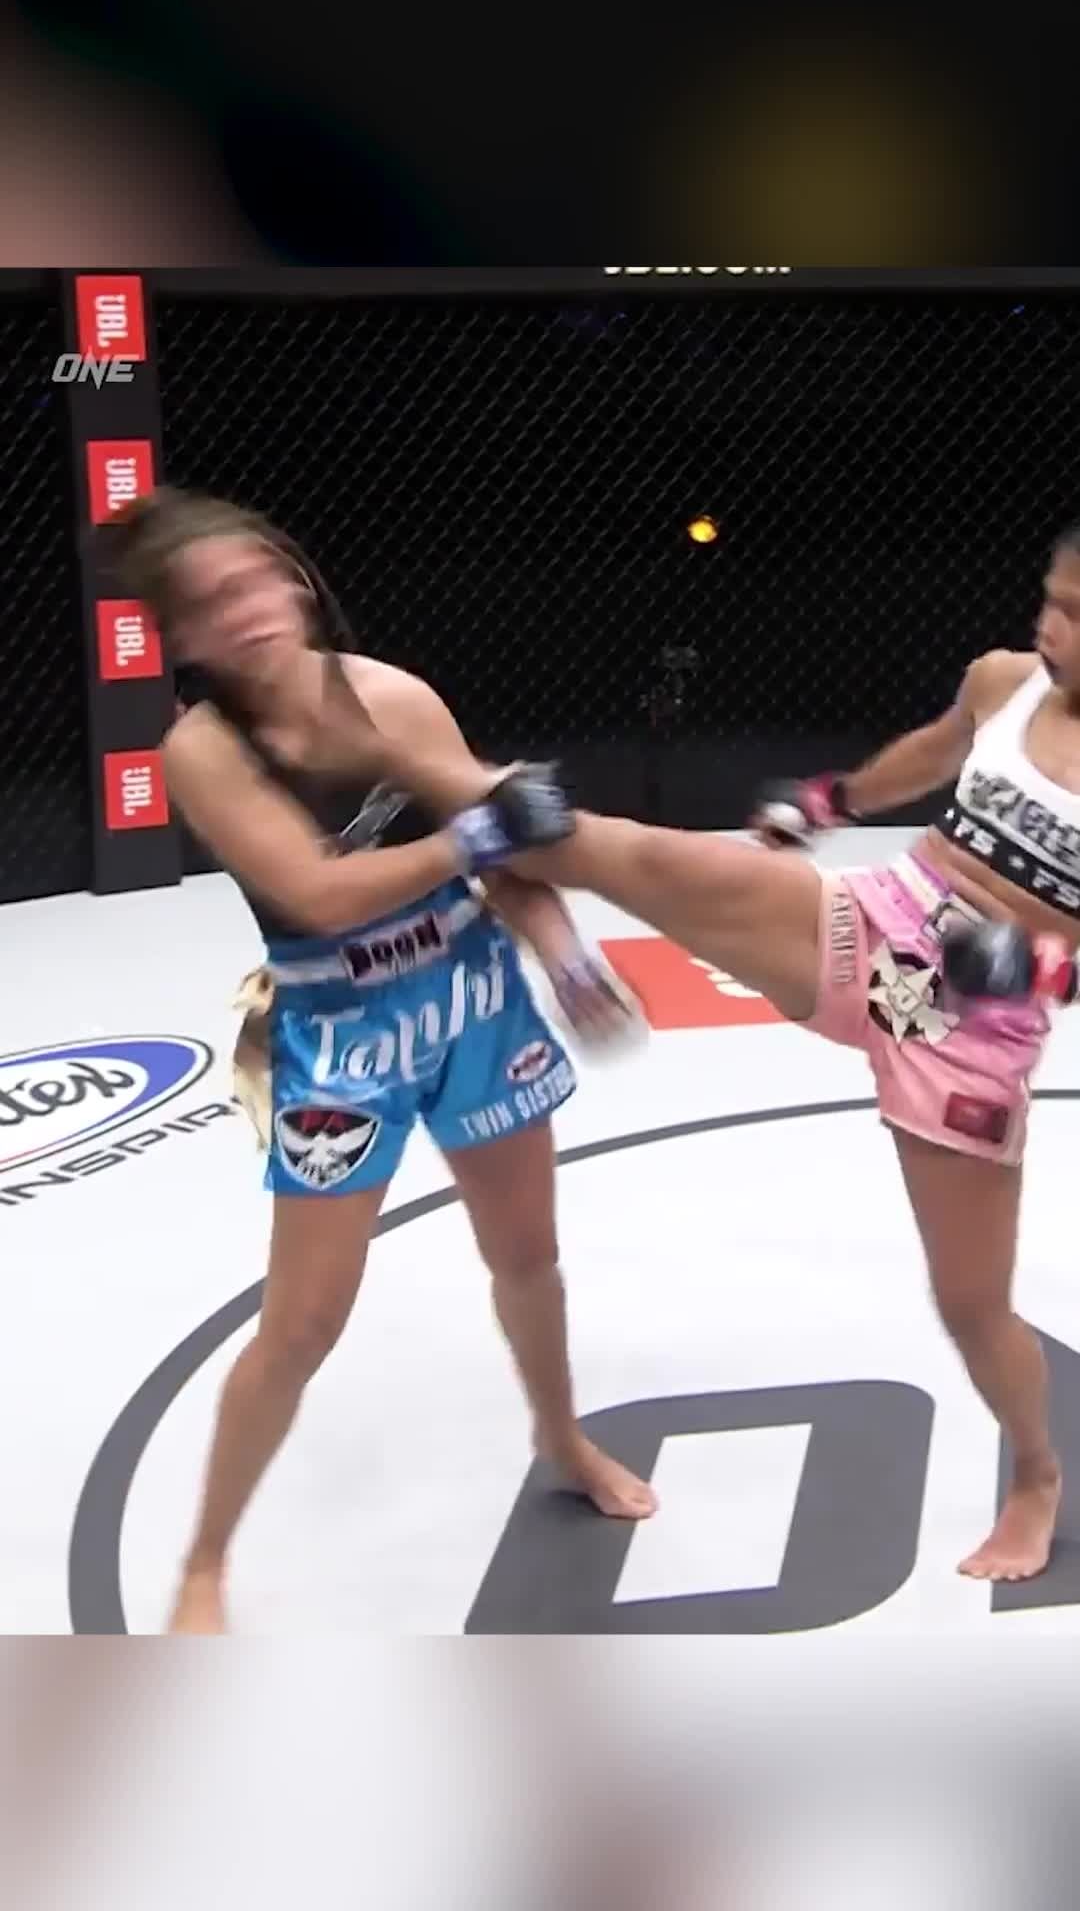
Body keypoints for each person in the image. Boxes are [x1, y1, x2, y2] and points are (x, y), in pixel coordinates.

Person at [380, 522, 1080, 1586]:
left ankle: (1035, 1473)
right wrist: (833, 800)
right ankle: (434, 787)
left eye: (1076, 615)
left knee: (971, 1303)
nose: (1050, 626)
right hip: (883, 917)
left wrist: (1041, 969)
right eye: (1051, 599)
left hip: (973, 1033)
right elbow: (937, 750)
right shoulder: (1006, 680)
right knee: (600, 844)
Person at [104, 488, 656, 1635]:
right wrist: (472, 833)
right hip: (340, 1036)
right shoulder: (202, 754)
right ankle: (205, 1563)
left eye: (255, 580)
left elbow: (513, 844)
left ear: (293, 578)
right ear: (183, 637)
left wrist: (564, 957)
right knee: (303, 1322)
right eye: (213, 602)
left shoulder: (393, 696)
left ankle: (560, 1436)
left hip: (475, 1002)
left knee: (528, 1256)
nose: (247, 610)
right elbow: (318, 892)